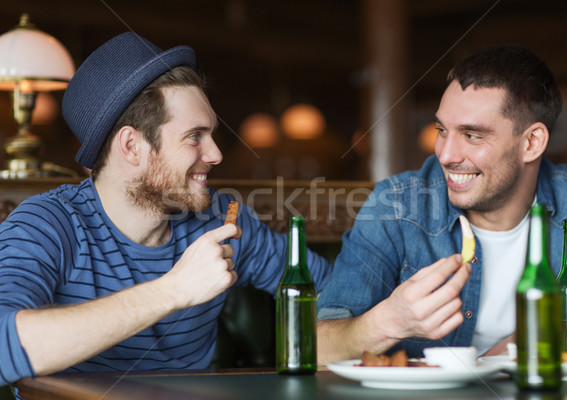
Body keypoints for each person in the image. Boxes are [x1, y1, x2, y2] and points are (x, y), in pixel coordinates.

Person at [0, 32, 330, 386]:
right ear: (132, 146)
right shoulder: (48, 224)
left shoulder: (219, 219)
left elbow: (331, 289)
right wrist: (173, 290)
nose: (216, 154)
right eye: (194, 136)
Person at [316, 45, 567, 364]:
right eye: (442, 130)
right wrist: (386, 323)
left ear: (531, 143)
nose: (446, 155)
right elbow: (316, 345)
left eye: (472, 136)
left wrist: (530, 337)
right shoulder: (395, 203)